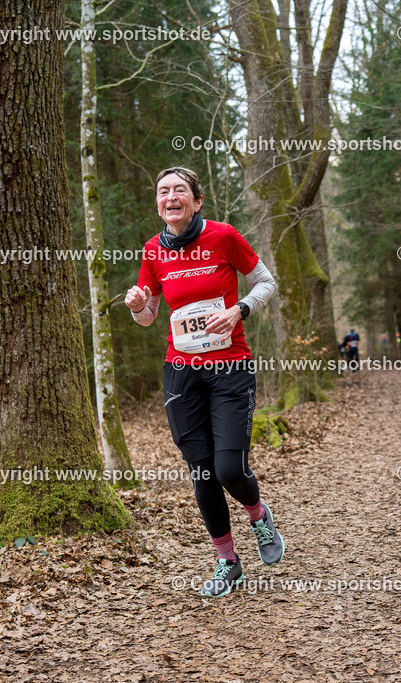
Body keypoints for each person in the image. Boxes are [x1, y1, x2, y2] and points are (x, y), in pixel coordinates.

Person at [125, 167, 284, 598]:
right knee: (202, 471)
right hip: (182, 374)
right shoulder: (153, 251)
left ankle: (257, 514)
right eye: (163, 191)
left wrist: (241, 311)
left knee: (229, 467)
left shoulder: (223, 236)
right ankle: (228, 561)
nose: (170, 196)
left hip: (230, 367)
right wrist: (138, 304)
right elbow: (148, 317)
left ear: (197, 201)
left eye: (179, 190)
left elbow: (266, 281)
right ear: (158, 203)